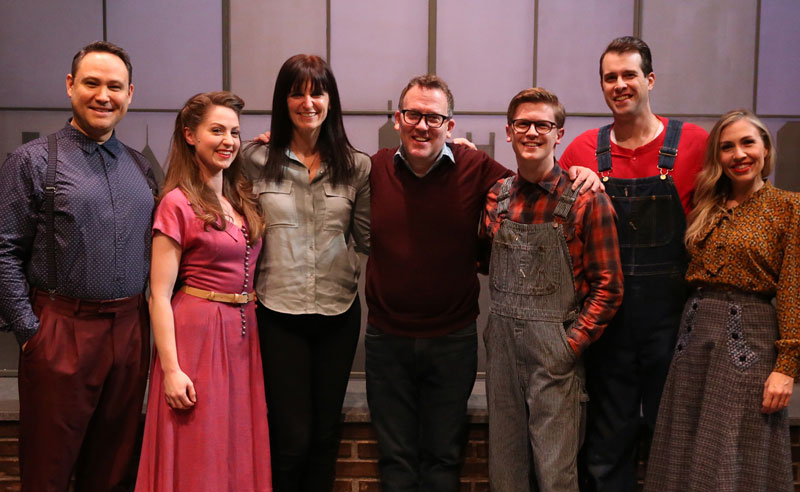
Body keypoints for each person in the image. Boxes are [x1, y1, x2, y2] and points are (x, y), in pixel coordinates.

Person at [366, 75, 602, 492]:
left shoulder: (475, 168)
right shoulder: (374, 168)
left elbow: (535, 181)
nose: (422, 125)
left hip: (453, 340)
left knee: (445, 460)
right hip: (386, 340)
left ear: (449, 125)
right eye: (413, 115)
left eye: (434, 117)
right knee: (396, 464)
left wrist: (581, 172)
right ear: (398, 119)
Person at [0, 41, 157, 492]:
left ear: (130, 94)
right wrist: (31, 333)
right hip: (60, 330)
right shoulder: (33, 161)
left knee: (113, 469)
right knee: (47, 470)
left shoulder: (140, 166)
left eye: (115, 86)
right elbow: (4, 251)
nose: (103, 96)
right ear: (71, 86)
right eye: (92, 83)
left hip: (130, 329)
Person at [558, 36, 708, 492]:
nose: (620, 84)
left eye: (629, 75)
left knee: (674, 438)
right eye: (610, 77)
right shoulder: (583, 150)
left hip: (675, 322)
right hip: (608, 324)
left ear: (650, 79)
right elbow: (541, 201)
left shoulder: (695, 143)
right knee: (607, 444)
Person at [644, 109, 798, 492]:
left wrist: (787, 367)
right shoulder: (705, 207)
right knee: (683, 454)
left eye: (748, 143)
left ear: (765, 148)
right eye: (727, 147)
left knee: (733, 455)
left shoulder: (789, 208)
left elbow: (794, 291)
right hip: (692, 340)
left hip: (749, 342)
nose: (738, 154)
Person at [480, 88, 623, 492]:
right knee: (505, 473)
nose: (532, 132)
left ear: (559, 134)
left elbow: (609, 287)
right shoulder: (495, 197)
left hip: (556, 354)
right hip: (502, 353)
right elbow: (484, 261)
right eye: (523, 124)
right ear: (508, 131)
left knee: (556, 475)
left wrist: (568, 346)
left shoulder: (587, 199)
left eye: (542, 125)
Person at [241, 54, 371, 492]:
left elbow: (369, 238)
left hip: (338, 312)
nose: (308, 102)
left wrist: (456, 150)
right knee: (291, 438)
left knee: (325, 434)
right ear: (283, 100)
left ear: (331, 100)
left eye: (317, 93)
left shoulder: (357, 166)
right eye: (297, 93)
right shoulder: (254, 160)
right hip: (277, 313)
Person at [134, 91, 271, 491]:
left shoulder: (239, 199)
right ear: (190, 135)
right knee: (200, 446)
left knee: (234, 443)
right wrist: (171, 371)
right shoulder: (176, 203)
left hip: (242, 336)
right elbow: (159, 295)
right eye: (217, 130)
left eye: (234, 132)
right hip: (198, 337)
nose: (228, 140)